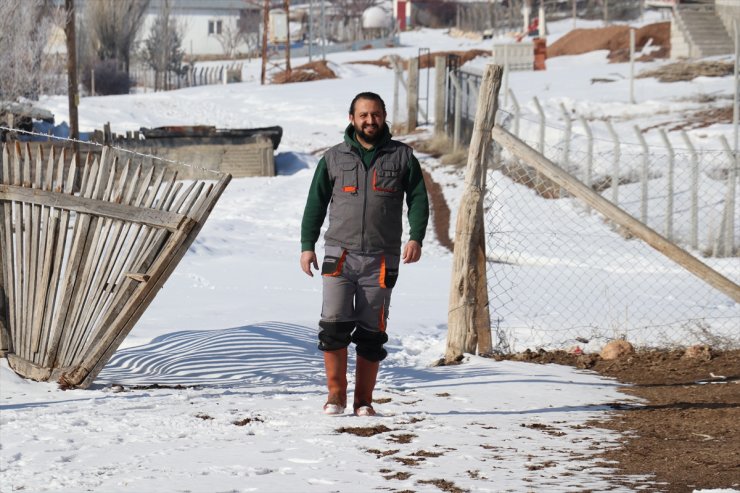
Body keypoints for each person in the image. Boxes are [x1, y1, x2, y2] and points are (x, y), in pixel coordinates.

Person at [300, 92, 429, 416]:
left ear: (384, 116)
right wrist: (307, 246)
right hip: (338, 255)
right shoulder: (333, 158)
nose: (369, 121)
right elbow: (315, 204)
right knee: (333, 327)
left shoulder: (402, 157)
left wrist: (416, 237)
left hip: (381, 258)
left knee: (372, 332)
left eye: (375, 115)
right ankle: (335, 396)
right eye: (363, 115)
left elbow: (418, 200)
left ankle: (363, 402)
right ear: (351, 118)